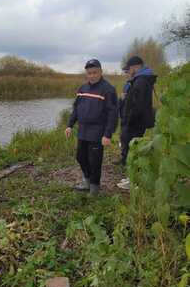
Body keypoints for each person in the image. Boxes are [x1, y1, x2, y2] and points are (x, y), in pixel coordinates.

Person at [65, 59, 118, 195]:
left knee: (94, 161)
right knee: (80, 157)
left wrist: (108, 134)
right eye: (89, 73)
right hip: (82, 130)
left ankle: (94, 188)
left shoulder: (108, 89)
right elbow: (76, 108)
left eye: (95, 72)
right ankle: (87, 182)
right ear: (86, 74)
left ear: (101, 71)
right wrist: (70, 125)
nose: (92, 75)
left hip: (98, 131)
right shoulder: (82, 89)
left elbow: (113, 114)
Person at [117, 56, 157, 190]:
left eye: (129, 69)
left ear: (135, 67)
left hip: (135, 123)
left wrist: (128, 120)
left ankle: (134, 182)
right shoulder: (141, 80)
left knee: (133, 151)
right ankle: (132, 178)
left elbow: (137, 106)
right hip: (137, 122)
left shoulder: (140, 81)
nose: (128, 71)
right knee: (132, 150)